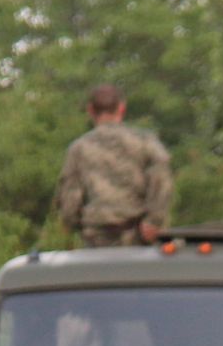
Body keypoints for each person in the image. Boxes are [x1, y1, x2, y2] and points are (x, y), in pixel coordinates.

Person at [54, 84, 173, 247]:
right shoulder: (145, 142)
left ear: (90, 110)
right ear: (121, 108)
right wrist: (154, 220)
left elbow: (70, 199)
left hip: (95, 238)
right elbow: (161, 181)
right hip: (138, 237)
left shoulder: (79, 149)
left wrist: (73, 223)